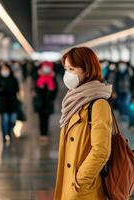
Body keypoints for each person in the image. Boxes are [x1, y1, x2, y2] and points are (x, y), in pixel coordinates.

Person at [54, 47, 113, 200]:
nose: (67, 74)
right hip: (70, 183)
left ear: (87, 70)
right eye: (66, 69)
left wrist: (80, 182)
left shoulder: (98, 104)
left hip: (83, 189)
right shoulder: (75, 100)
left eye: (72, 69)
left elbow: (101, 150)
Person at [33, 61, 58, 143]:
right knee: (41, 119)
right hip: (40, 102)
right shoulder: (38, 77)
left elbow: (56, 89)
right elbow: (35, 88)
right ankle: (42, 134)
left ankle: (45, 134)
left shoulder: (52, 77)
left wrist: (52, 98)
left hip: (48, 102)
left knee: (46, 119)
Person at [0, 63, 19, 143]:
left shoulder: (14, 79)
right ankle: (5, 135)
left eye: (6, 69)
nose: (4, 71)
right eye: (3, 69)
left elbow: (16, 89)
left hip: (12, 102)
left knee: (12, 120)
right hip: (3, 103)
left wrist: (4, 90)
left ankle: (9, 132)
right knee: (5, 120)